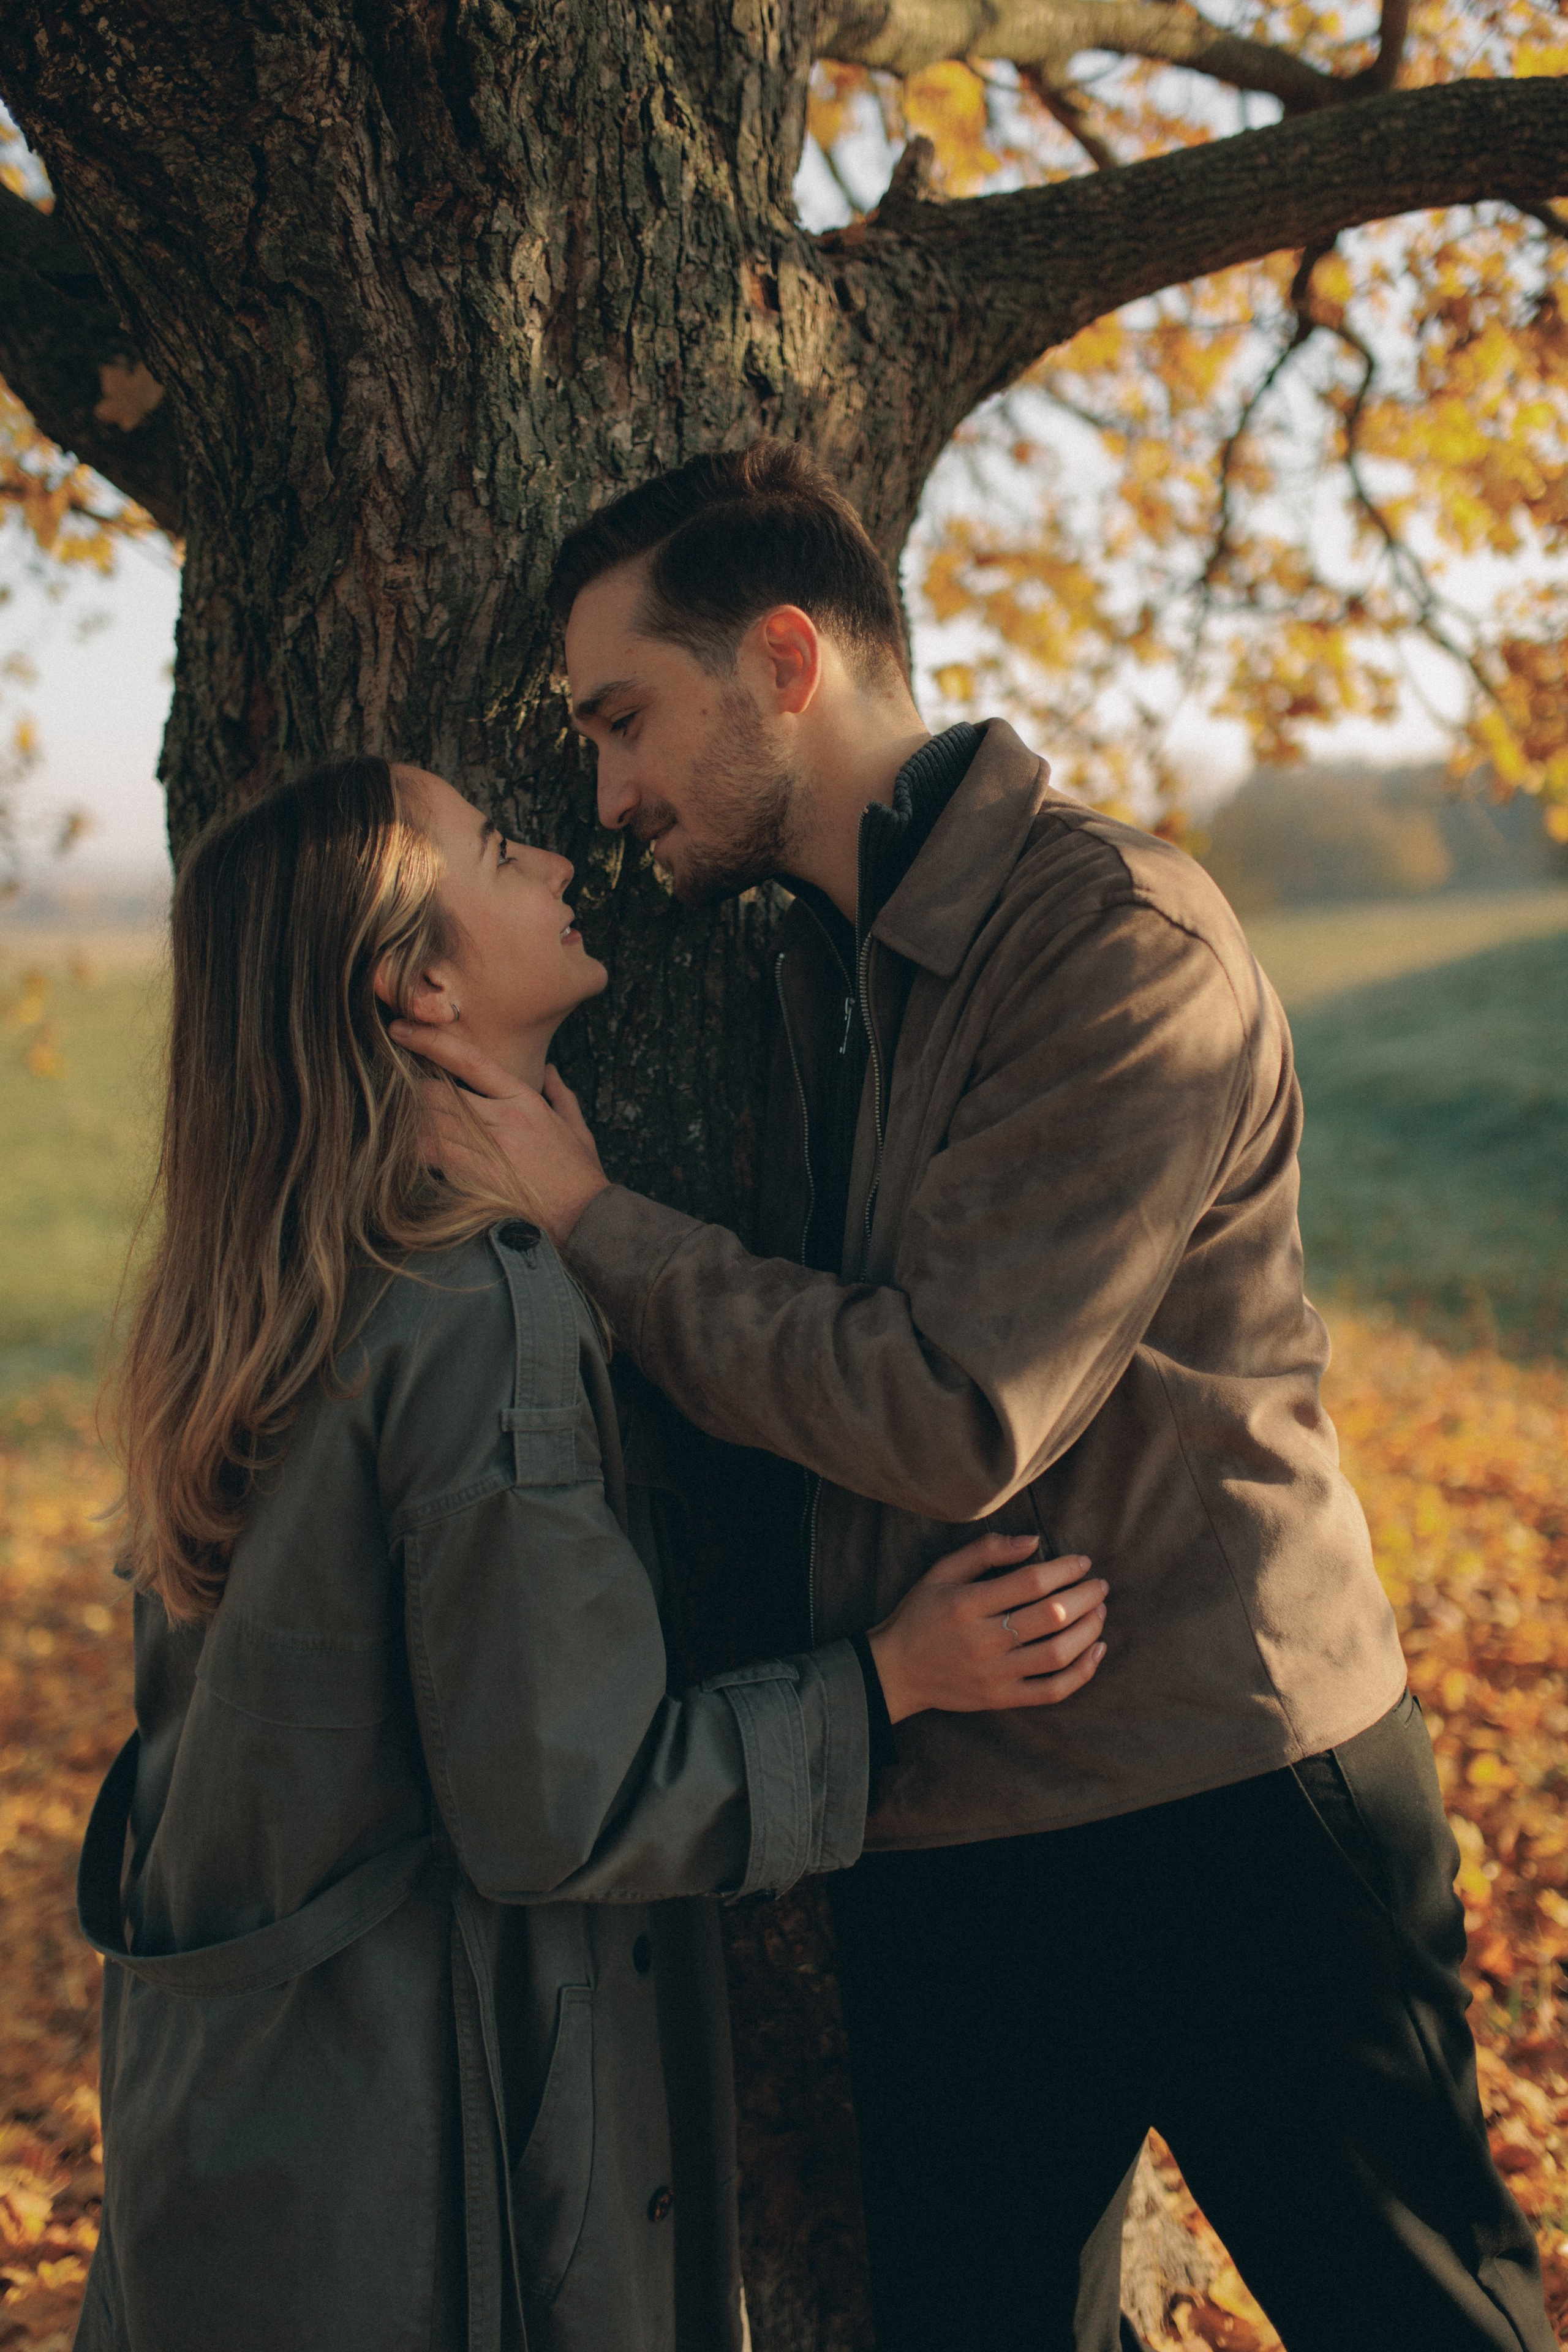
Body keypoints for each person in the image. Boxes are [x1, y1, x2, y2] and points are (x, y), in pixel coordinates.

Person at [398, 442, 1559, 2352]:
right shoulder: (805, 971)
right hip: (943, 1813)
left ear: (787, 659)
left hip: (1228, 1786)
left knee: (1415, 2321)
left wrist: (594, 1215)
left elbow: (954, 1407)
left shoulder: (1118, 940)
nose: (605, 796)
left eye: (629, 720)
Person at [74, 753, 1111, 2352]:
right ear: (414, 981)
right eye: (497, 849)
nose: (560, 859)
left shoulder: (251, 1303)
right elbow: (568, 1809)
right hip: (422, 2189)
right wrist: (889, 1683)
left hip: (233, 2157)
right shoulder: (468, 1313)